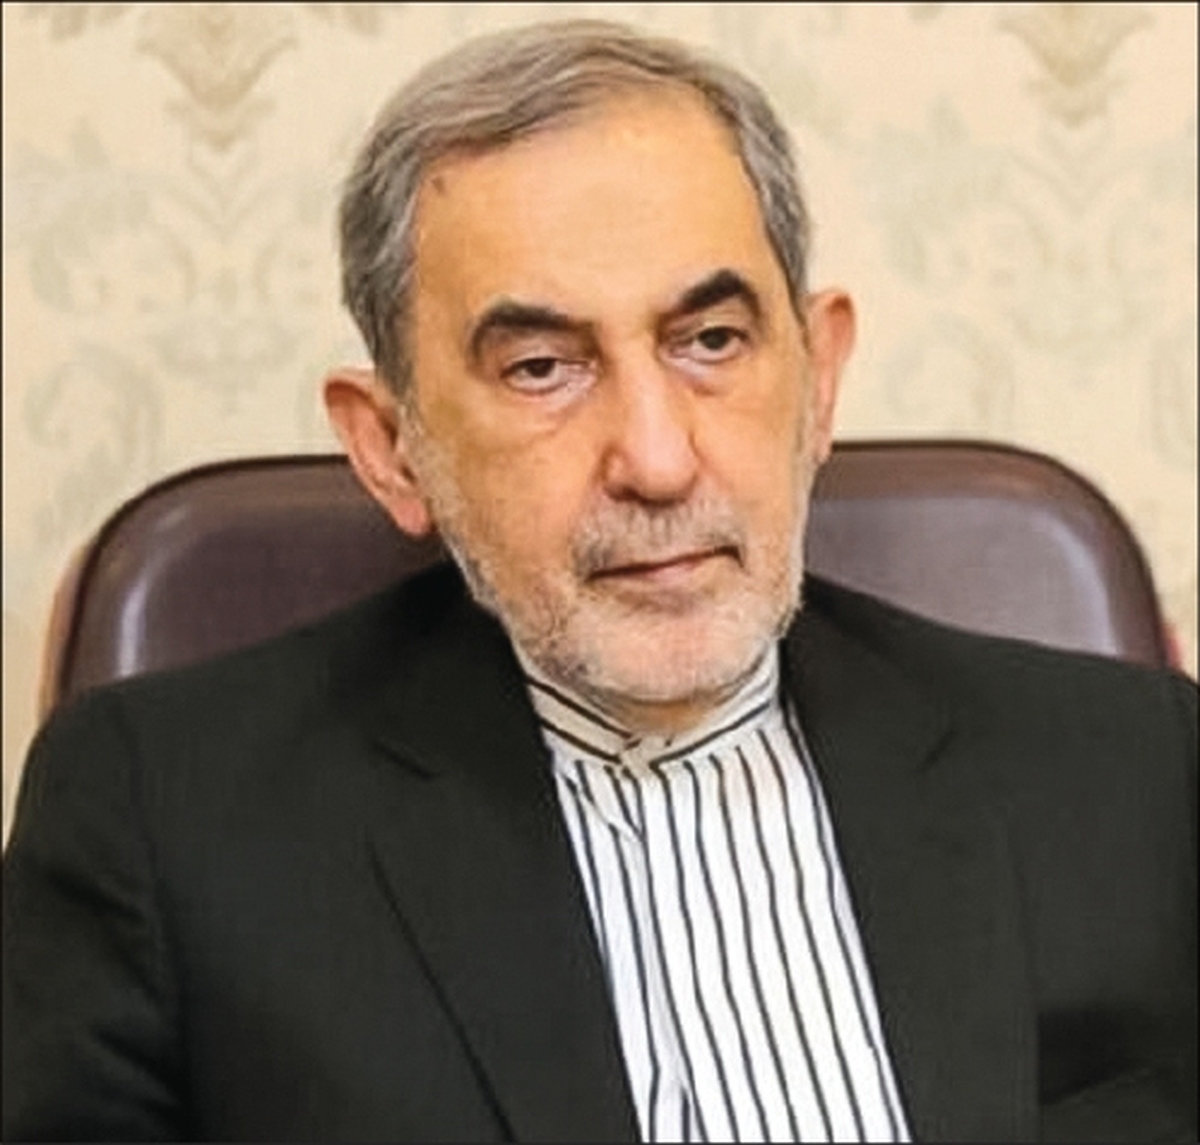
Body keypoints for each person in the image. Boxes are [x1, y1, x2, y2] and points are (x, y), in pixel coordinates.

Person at [3, 19, 1195, 1144]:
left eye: (711, 341)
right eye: (542, 367)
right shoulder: (162, 819)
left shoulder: (1135, 768)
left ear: (819, 376)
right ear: (392, 446)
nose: (658, 459)